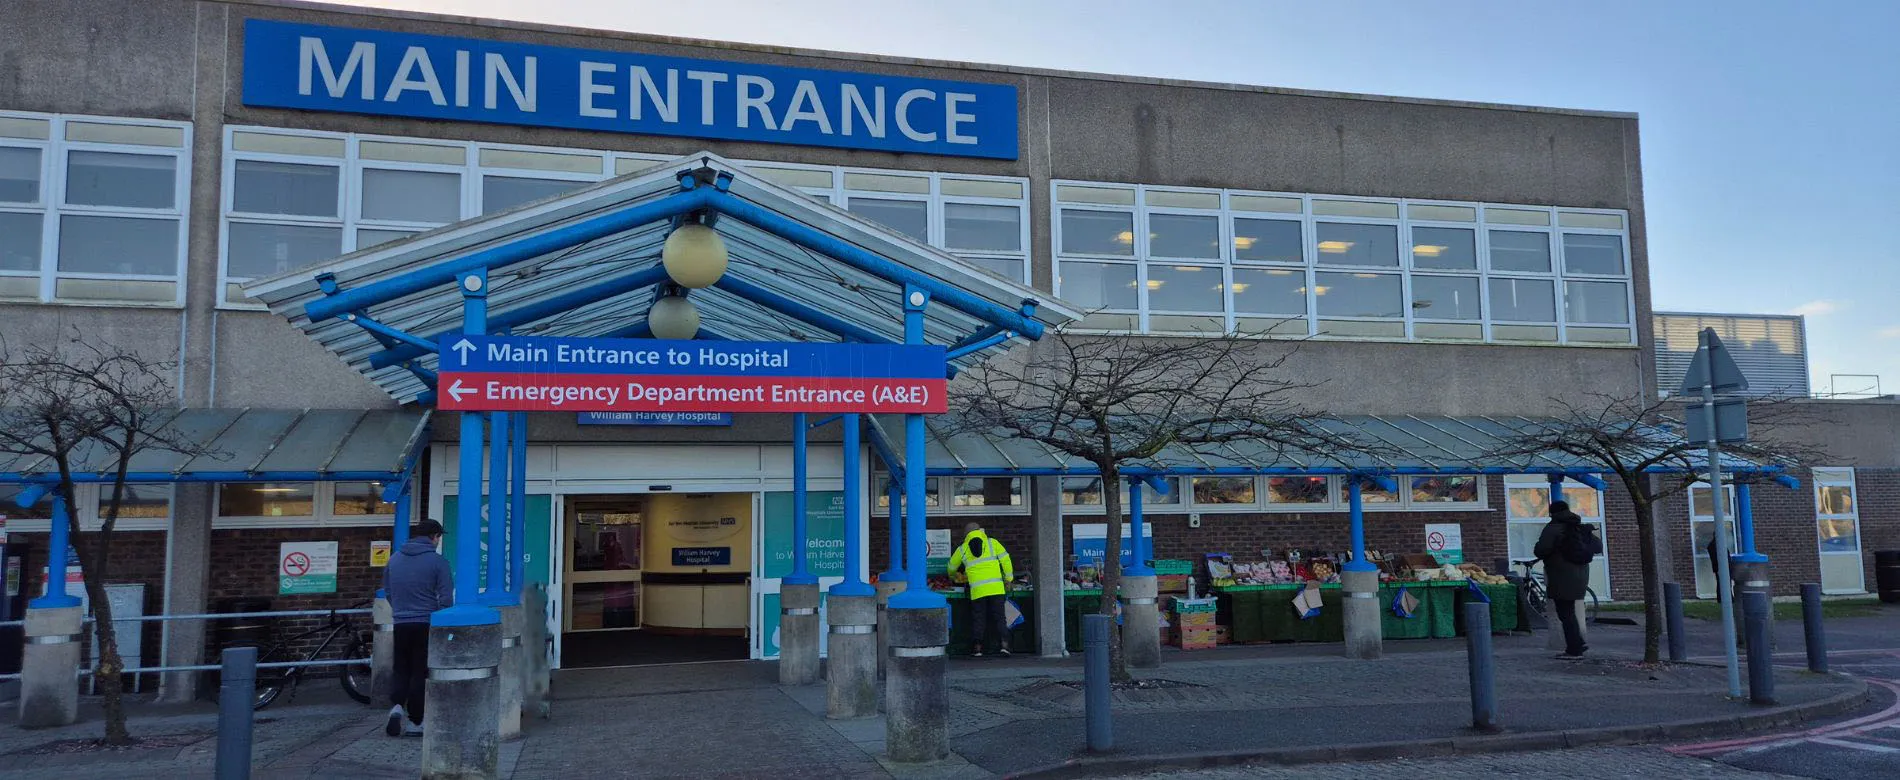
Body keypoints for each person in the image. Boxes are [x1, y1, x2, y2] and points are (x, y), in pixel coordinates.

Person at [384, 519, 453, 737]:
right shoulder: (438, 562)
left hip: (401, 622)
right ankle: (416, 721)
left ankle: (396, 707)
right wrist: (440, 617)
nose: (438, 541)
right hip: (426, 623)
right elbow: (446, 597)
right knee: (419, 671)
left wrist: (401, 610)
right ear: (434, 537)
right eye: (438, 537)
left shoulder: (394, 560)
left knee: (401, 668)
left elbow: (387, 591)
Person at [1534, 501, 1597, 659]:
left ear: (1552, 513)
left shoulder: (1553, 528)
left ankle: (1574, 649)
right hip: (1581, 575)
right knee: (1569, 612)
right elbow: (1596, 547)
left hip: (1560, 576)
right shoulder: (1578, 526)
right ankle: (1578, 643)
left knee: (1565, 614)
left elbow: (1541, 550)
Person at [947, 522, 1014, 657]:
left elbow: (951, 567)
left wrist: (954, 576)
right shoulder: (992, 543)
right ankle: (1005, 646)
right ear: (979, 531)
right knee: (1000, 618)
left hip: (977, 590)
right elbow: (1006, 560)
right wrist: (1009, 579)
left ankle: (977, 649)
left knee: (978, 619)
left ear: (966, 535)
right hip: (996, 588)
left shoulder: (962, 549)